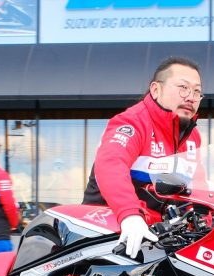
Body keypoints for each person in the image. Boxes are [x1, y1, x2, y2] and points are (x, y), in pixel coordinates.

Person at [82, 56, 203, 257]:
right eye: (183, 88)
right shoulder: (132, 122)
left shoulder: (193, 137)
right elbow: (111, 164)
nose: (191, 97)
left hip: (158, 241)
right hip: (107, 234)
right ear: (156, 90)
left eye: (197, 91)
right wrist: (129, 215)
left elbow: (198, 190)